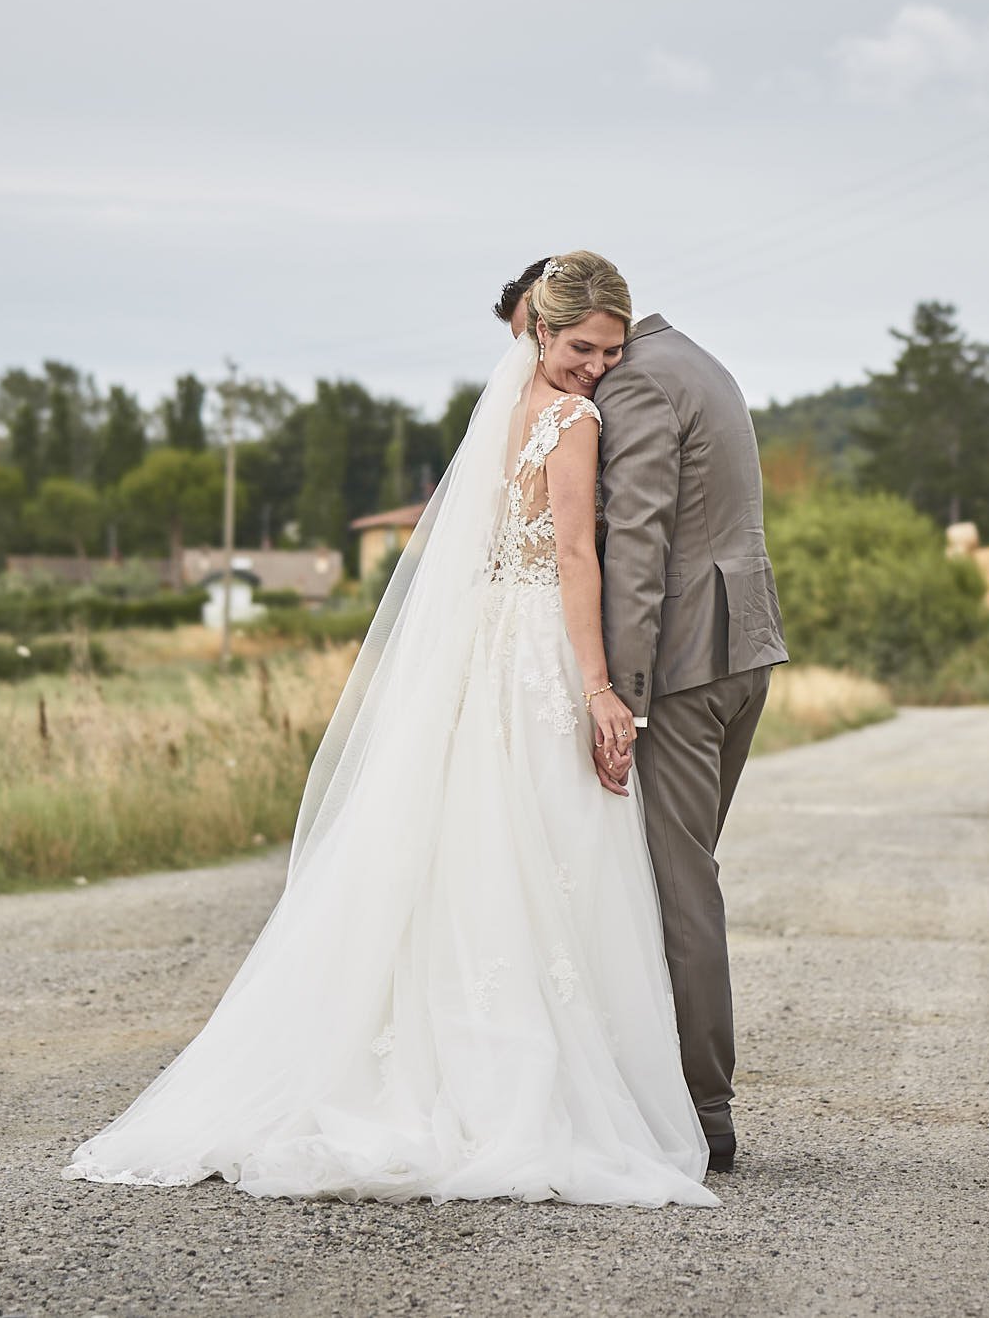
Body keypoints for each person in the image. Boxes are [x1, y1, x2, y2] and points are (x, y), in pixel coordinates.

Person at [63, 251, 717, 1207]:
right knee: (546, 845)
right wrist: (599, 688)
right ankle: (518, 1082)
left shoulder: (501, 416)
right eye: (584, 346)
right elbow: (577, 555)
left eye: (613, 351)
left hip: (485, 647)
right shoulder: (573, 422)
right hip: (536, 652)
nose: (599, 366)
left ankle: (451, 1054)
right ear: (539, 330)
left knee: (477, 853)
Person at [593, 312, 787, 1173]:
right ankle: (668, 1086)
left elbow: (639, 539)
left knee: (678, 887)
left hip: (678, 666)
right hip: (744, 647)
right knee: (687, 873)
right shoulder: (698, 359)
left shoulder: (634, 379)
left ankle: (705, 1109)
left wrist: (624, 695)